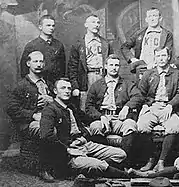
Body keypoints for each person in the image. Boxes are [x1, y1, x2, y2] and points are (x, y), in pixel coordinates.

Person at [40, 78, 131, 180]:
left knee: (120, 155)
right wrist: (67, 149)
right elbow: (46, 136)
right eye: (63, 88)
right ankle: (129, 176)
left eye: (69, 88)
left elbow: (87, 119)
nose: (67, 91)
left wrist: (101, 117)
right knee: (99, 165)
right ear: (55, 91)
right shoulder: (50, 110)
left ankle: (90, 167)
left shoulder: (71, 107)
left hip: (84, 144)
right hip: (69, 152)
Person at [85, 54, 143, 167]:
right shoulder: (96, 85)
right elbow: (89, 106)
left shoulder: (126, 83)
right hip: (102, 117)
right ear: (105, 66)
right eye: (111, 65)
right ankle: (104, 163)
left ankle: (124, 163)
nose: (114, 67)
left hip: (119, 119)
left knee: (130, 125)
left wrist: (127, 107)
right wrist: (100, 116)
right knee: (95, 128)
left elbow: (138, 96)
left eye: (116, 65)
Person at [7, 51, 55, 182]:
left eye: (41, 61)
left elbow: (59, 102)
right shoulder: (21, 85)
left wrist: (51, 100)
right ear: (28, 63)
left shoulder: (48, 84)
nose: (39, 64)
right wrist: (33, 115)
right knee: (45, 129)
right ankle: (42, 167)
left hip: (49, 118)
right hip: (30, 123)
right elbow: (11, 108)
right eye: (35, 61)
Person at [137, 47, 179, 172]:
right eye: (158, 56)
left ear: (169, 57)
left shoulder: (177, 74)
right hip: (152, 107)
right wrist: (145, 105)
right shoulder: (148, 74)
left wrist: (171, 105)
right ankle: (150, 159)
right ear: (155, 58)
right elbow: (140, 93)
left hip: (169, 107)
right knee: (142, 125)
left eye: (163, 55)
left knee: (175, 126)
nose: (161, 59)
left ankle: (161, 161)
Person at [68, 14, 113, 110]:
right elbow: (72, 68)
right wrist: (75, 87)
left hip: (102, 76)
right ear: (86, 25)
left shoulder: (105, 44)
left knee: (102, 104)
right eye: (93, 22)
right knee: (86, 106)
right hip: (86, 78)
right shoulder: (79, 44)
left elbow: (111, 62)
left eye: (98, 22)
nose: (96, 25)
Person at [20, 15, 66, 84]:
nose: (51, 28)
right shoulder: (32, 45)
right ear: (40, 27)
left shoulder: (59, 45)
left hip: (54, 83)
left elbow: (62, 67)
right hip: (37, 82)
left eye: (53, 26)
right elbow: (24, 68)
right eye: (48, 25)